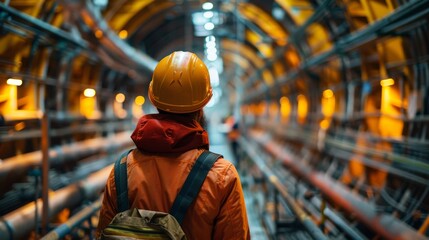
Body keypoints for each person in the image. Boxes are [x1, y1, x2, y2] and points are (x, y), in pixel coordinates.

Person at [96, 51, 250, 239]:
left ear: (153, 99)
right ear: (203, 104)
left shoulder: (121, 171)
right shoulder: (222, 176)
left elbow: (103, 234)